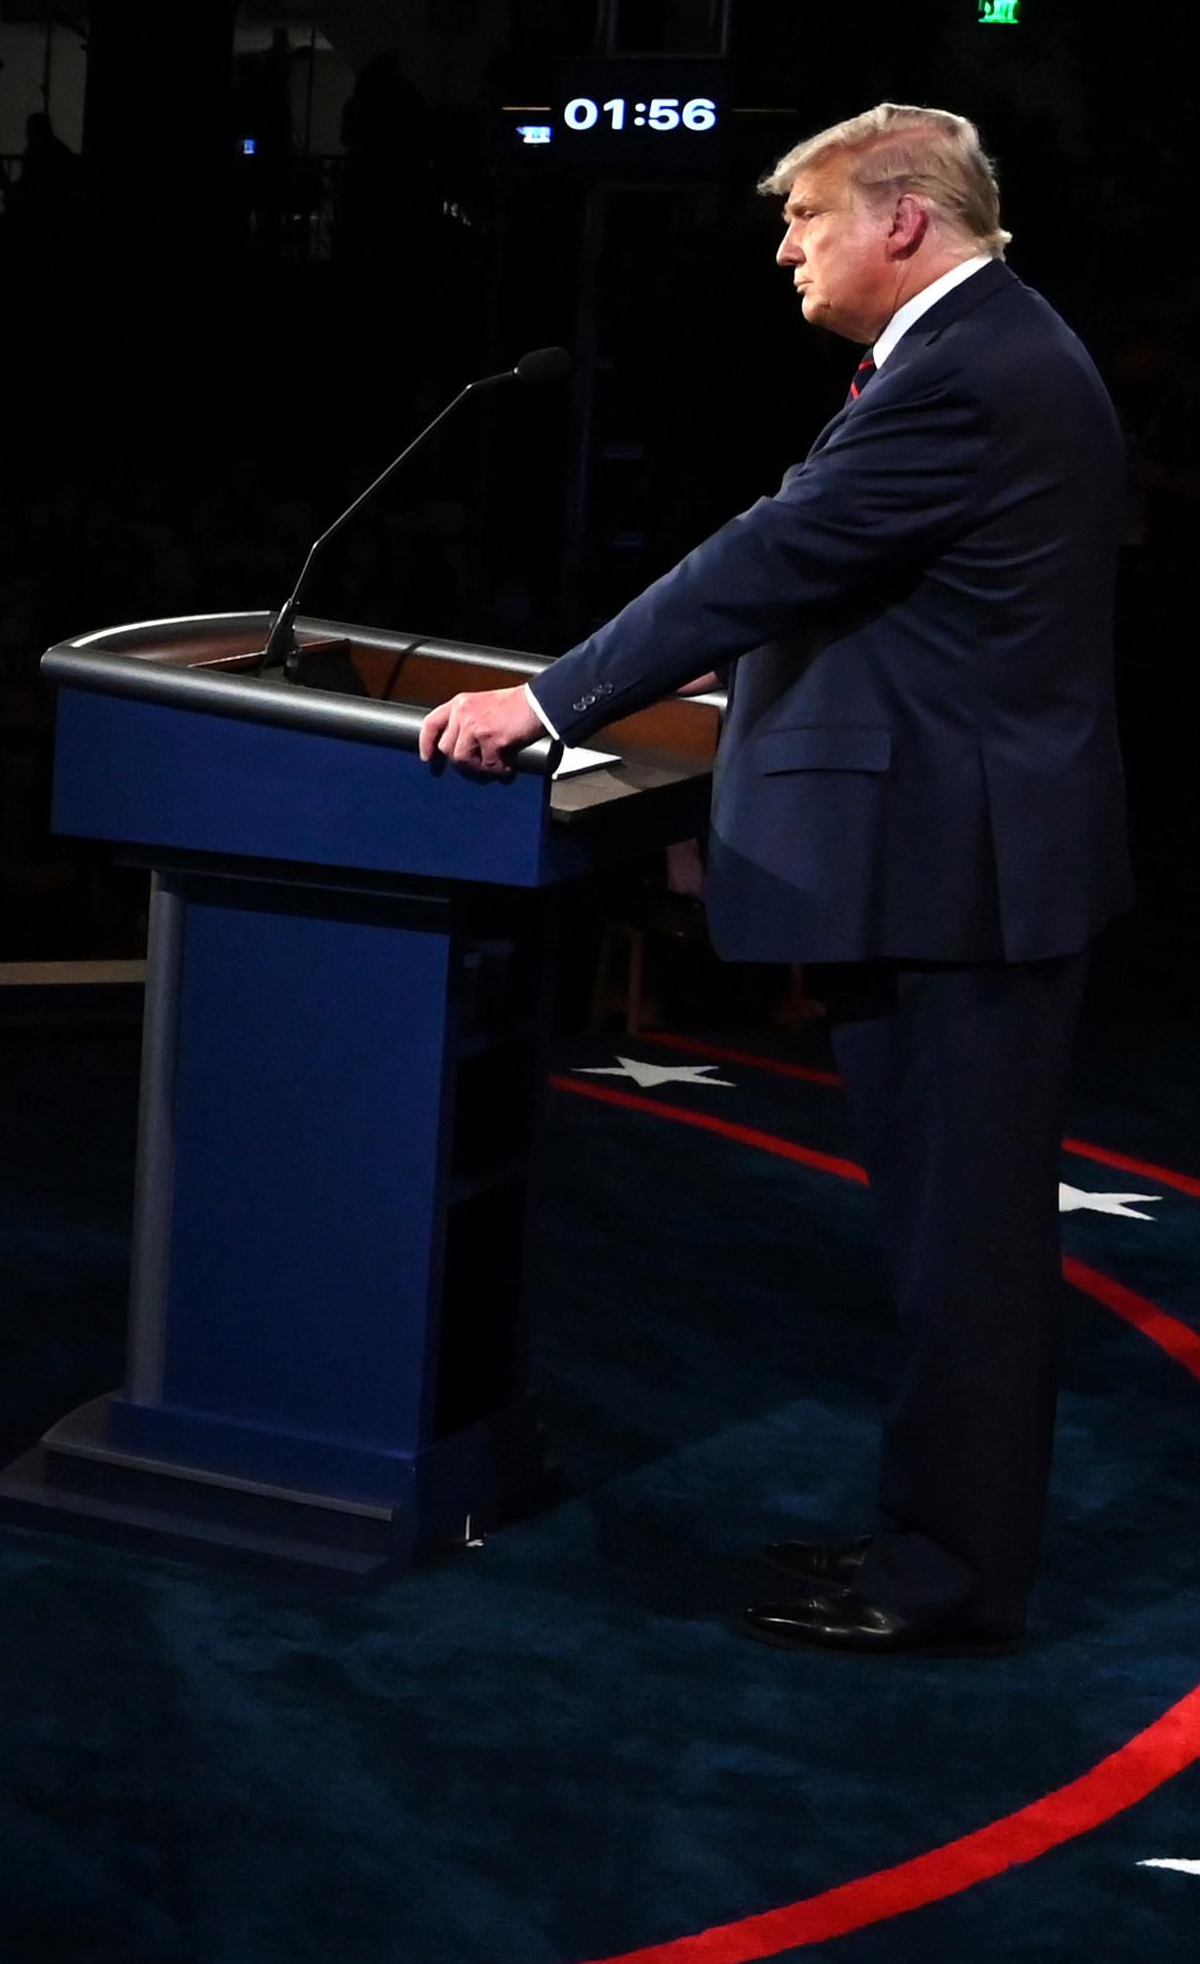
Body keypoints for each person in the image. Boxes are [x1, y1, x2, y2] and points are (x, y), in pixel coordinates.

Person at [417, 103, 1129, 1658]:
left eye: (801, 218)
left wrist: (548, 704)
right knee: (947, 1245)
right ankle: (929, 1535)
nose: (783, 247)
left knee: (965, 1254)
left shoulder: (971, 374)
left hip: (966, 884)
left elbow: (769, 558)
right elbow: (879, 618)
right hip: (951, 865)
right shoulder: (977, 355)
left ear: (899, 218)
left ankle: (948, 1572)